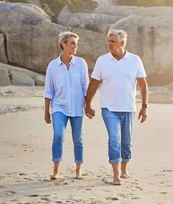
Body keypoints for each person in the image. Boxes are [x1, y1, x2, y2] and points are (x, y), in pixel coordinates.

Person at [85, 29, 149, 185]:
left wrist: (144, 106)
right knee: (114, 139)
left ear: (122, 43)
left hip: (128, 108)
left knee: (126, 141)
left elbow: (142, 84)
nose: (109, 44)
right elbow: (94, 83)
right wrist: (88, 104)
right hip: (108, 108)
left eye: (113, 41)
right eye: (108, 41)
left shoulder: (135, 60)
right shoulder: (102, 60)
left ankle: (124, 168)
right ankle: (115, 174)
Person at [43, 31, 89, 180]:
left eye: (76, 43)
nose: (75, 46)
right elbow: (49, 90)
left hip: (77, 107)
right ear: (63, 44)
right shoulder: (53, 65)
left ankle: (78, 170)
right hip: (59, 106)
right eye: (72, 43)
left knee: (78, 139)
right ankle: (56, 171)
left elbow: (85, 88)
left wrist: (88, 106)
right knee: (58, 136)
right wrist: (46, 111)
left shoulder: (81, 63)